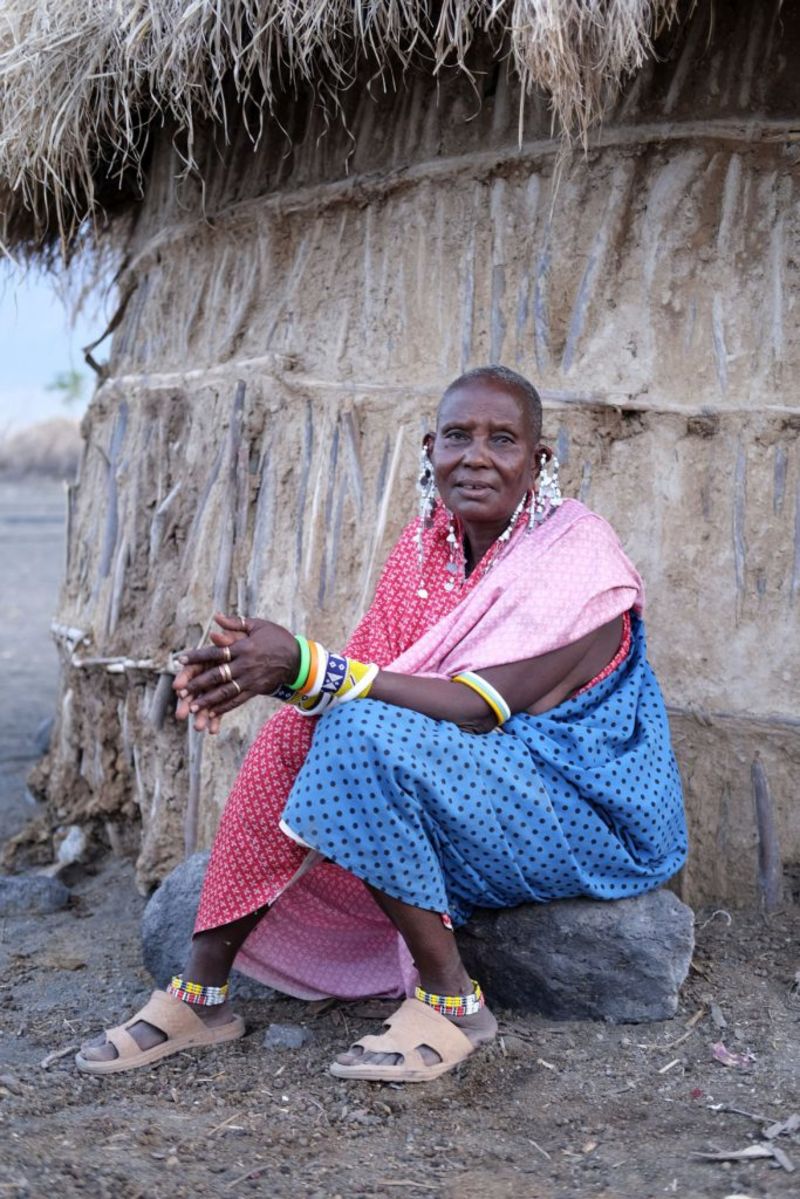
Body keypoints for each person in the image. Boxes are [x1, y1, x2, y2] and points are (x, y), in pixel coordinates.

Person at [76, 365, 687, 1081]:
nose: (477, 456)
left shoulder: (580, 563)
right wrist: (260, 673)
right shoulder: (425, 548)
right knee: (297, 734)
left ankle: (452, 998)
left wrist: (306, 664)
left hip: (582, 812)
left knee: (358, 732)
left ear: (538, 459)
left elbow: (476, 705)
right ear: (430, 448)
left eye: (503, 439)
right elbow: (361, 679)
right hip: (474, 790)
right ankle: (201, 992)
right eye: (458, 436)